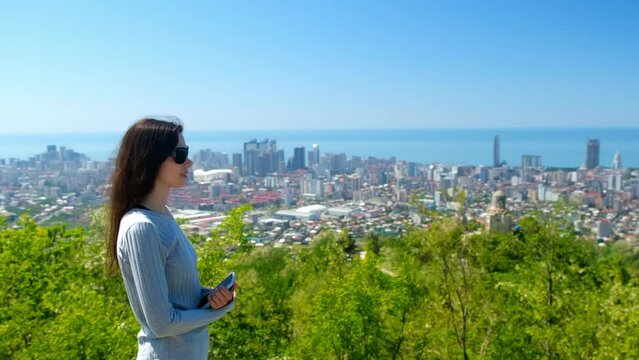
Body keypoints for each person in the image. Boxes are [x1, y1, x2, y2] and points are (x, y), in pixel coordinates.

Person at [106, 117, 237, 359]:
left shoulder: (163, 217)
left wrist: (212, 298)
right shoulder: (141, 228)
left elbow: (178, 297)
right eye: (180, 154)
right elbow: (162, 324)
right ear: (150, 159)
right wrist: (219, 311)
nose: (189, 161)